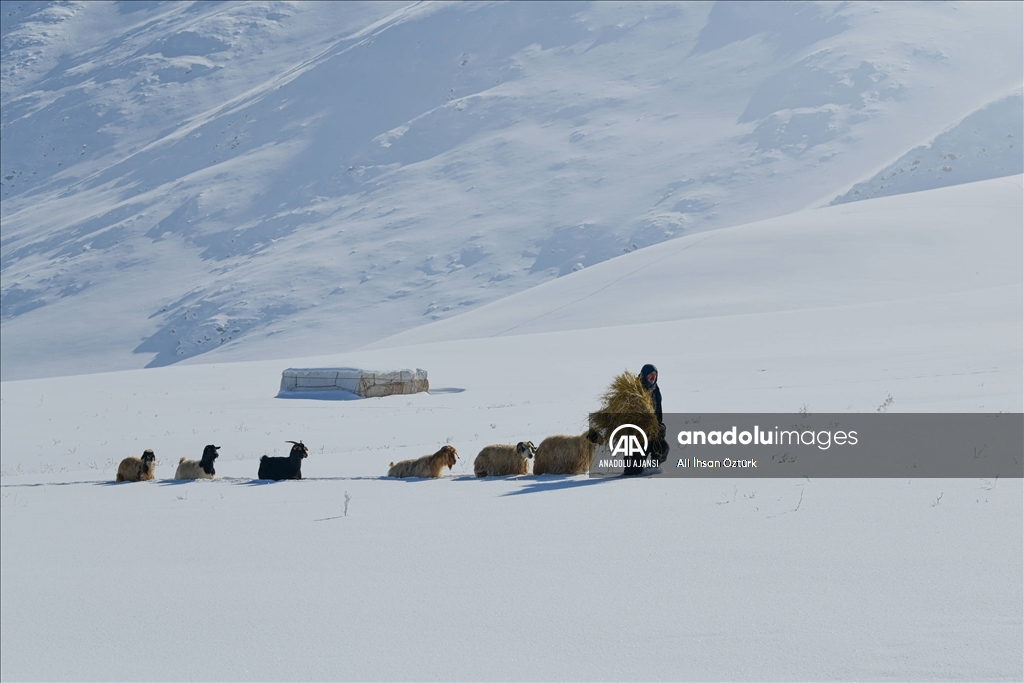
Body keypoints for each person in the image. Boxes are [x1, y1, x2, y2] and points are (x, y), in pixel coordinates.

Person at [624, 364, 669, 475]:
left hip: (652, 431)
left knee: (663, 448)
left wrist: (659, 425)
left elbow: (658, 409)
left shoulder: (655, 389)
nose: (653, 377)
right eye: (650, 374)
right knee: (633, 471)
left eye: (655, 374)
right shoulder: (634, 390)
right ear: (644, 375)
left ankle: (652, 470)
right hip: (637, 434)